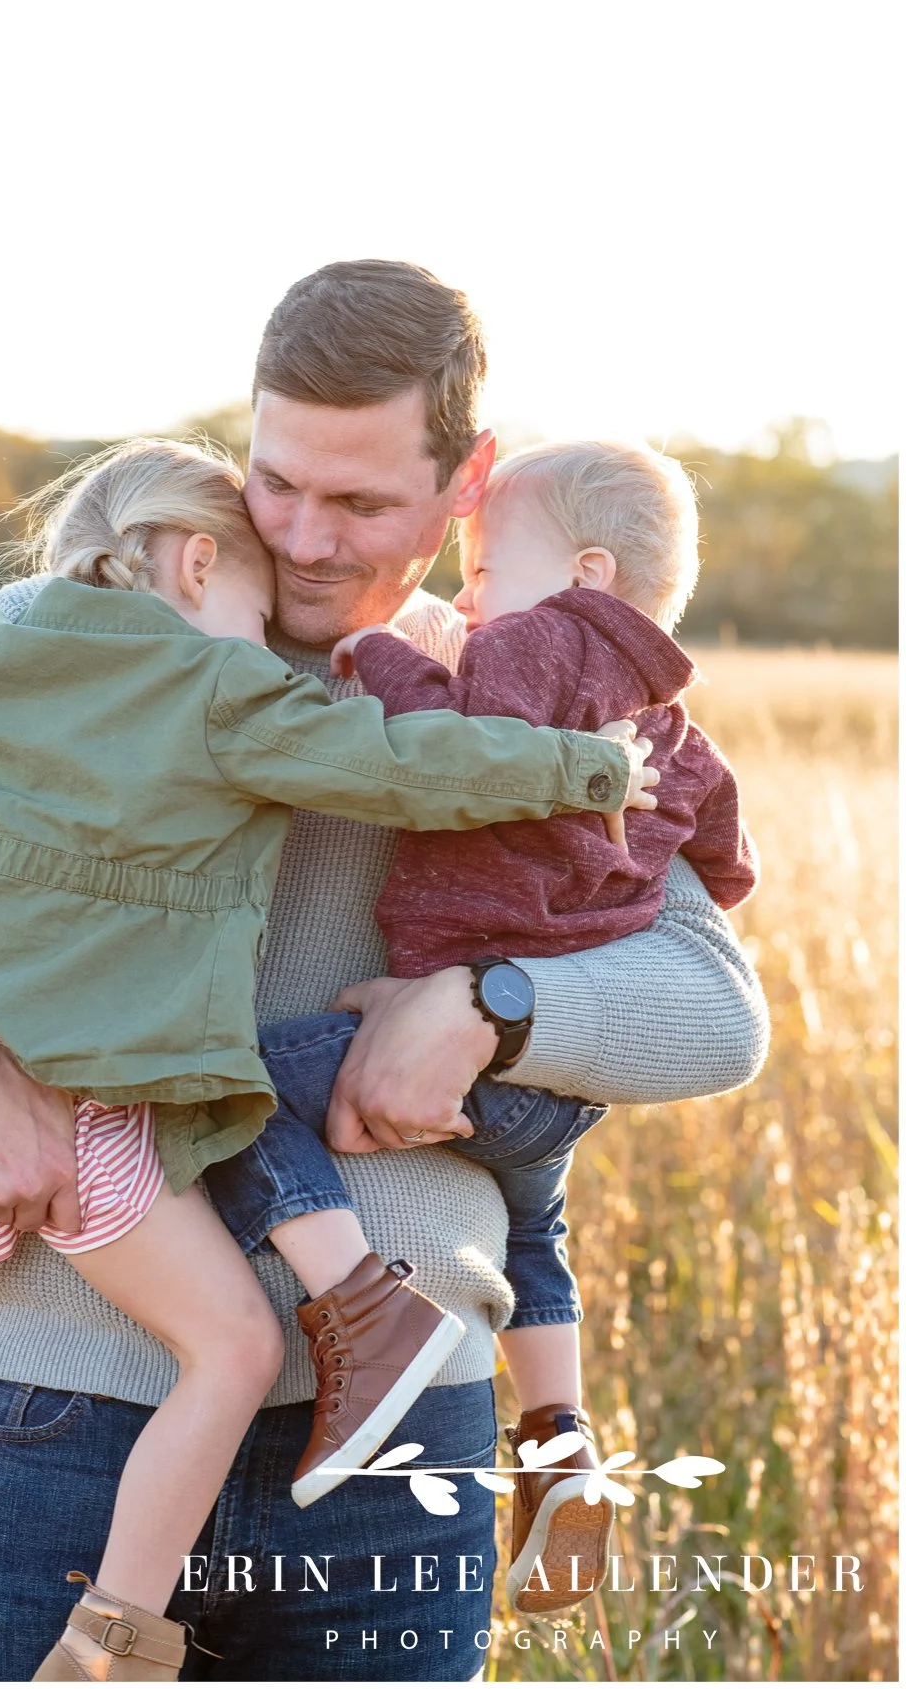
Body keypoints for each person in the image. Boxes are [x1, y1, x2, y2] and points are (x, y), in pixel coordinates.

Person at [0, 260, 770, 1680]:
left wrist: (490, 1011)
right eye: (278, 484)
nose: (311, 538)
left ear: (469, 483)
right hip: (71, 1415)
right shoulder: (90, 653)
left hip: (400, 1469)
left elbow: (718, 1009)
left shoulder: (517, 706)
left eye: (362, 504)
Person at [210, 438, 754, 1616]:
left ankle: (367, 1312)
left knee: (221, 1084)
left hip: (457, 1026)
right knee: (535, 1226)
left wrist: (382, 660)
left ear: (588, 573)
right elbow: (724, 846)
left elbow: (463, 737)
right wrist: (678, 877)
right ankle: (560, 1434)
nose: (466, 595)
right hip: (546, 1086)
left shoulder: (536, 641)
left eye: (486, 564)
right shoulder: (671, 722)